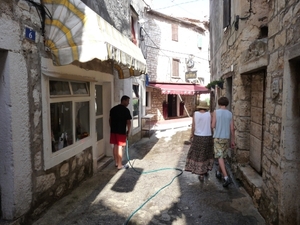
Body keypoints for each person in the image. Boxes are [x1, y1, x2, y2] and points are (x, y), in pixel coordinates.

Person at [185, 101, 214, 181]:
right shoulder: (209, 114)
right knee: (206, 154)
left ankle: (201, 174)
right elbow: (211, 127)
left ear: (199, 107)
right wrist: (212, 136)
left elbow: (193, 125)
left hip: (197, 136)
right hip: (207, 136)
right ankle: (205, 170)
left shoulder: (195, 114)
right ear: (205, 107)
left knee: (198, 154)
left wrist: (192, 134)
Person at [211, 97, 235, 187]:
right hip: (226, 138)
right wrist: (233, 140)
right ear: (227, 103)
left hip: (218, 137)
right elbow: (232, 128)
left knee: (220, 157)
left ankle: (226, 177)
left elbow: (213, 125)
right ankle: (218, 172)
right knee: (223, 156)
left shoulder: (216, 112)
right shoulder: (230, 114)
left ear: (219, 103)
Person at [109, 95, 132, 170]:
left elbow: (110, 120)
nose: (128, 103)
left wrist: (111, 127)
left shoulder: (113, 109)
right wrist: (128, 131)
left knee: (115, 145)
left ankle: (116, 162)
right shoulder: (126, 110)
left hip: (113, 131)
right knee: (120, 147)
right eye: (128, 101)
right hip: (121, 131)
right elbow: (128, 122)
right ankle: (120, 165)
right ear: (124, 101)